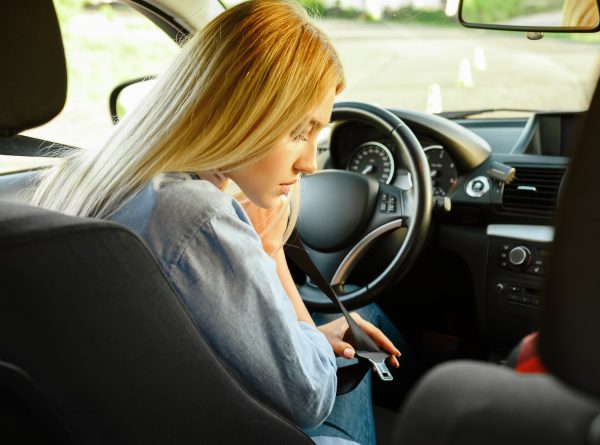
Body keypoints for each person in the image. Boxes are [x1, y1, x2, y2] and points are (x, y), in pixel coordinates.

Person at [31, 1, 401, 444]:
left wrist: (313, 337)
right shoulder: (197, 218)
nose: (309, 163)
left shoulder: (84, 176)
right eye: (299, 132)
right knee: (365, 331)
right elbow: (308, 396)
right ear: (241, 110)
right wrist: (272, 255)